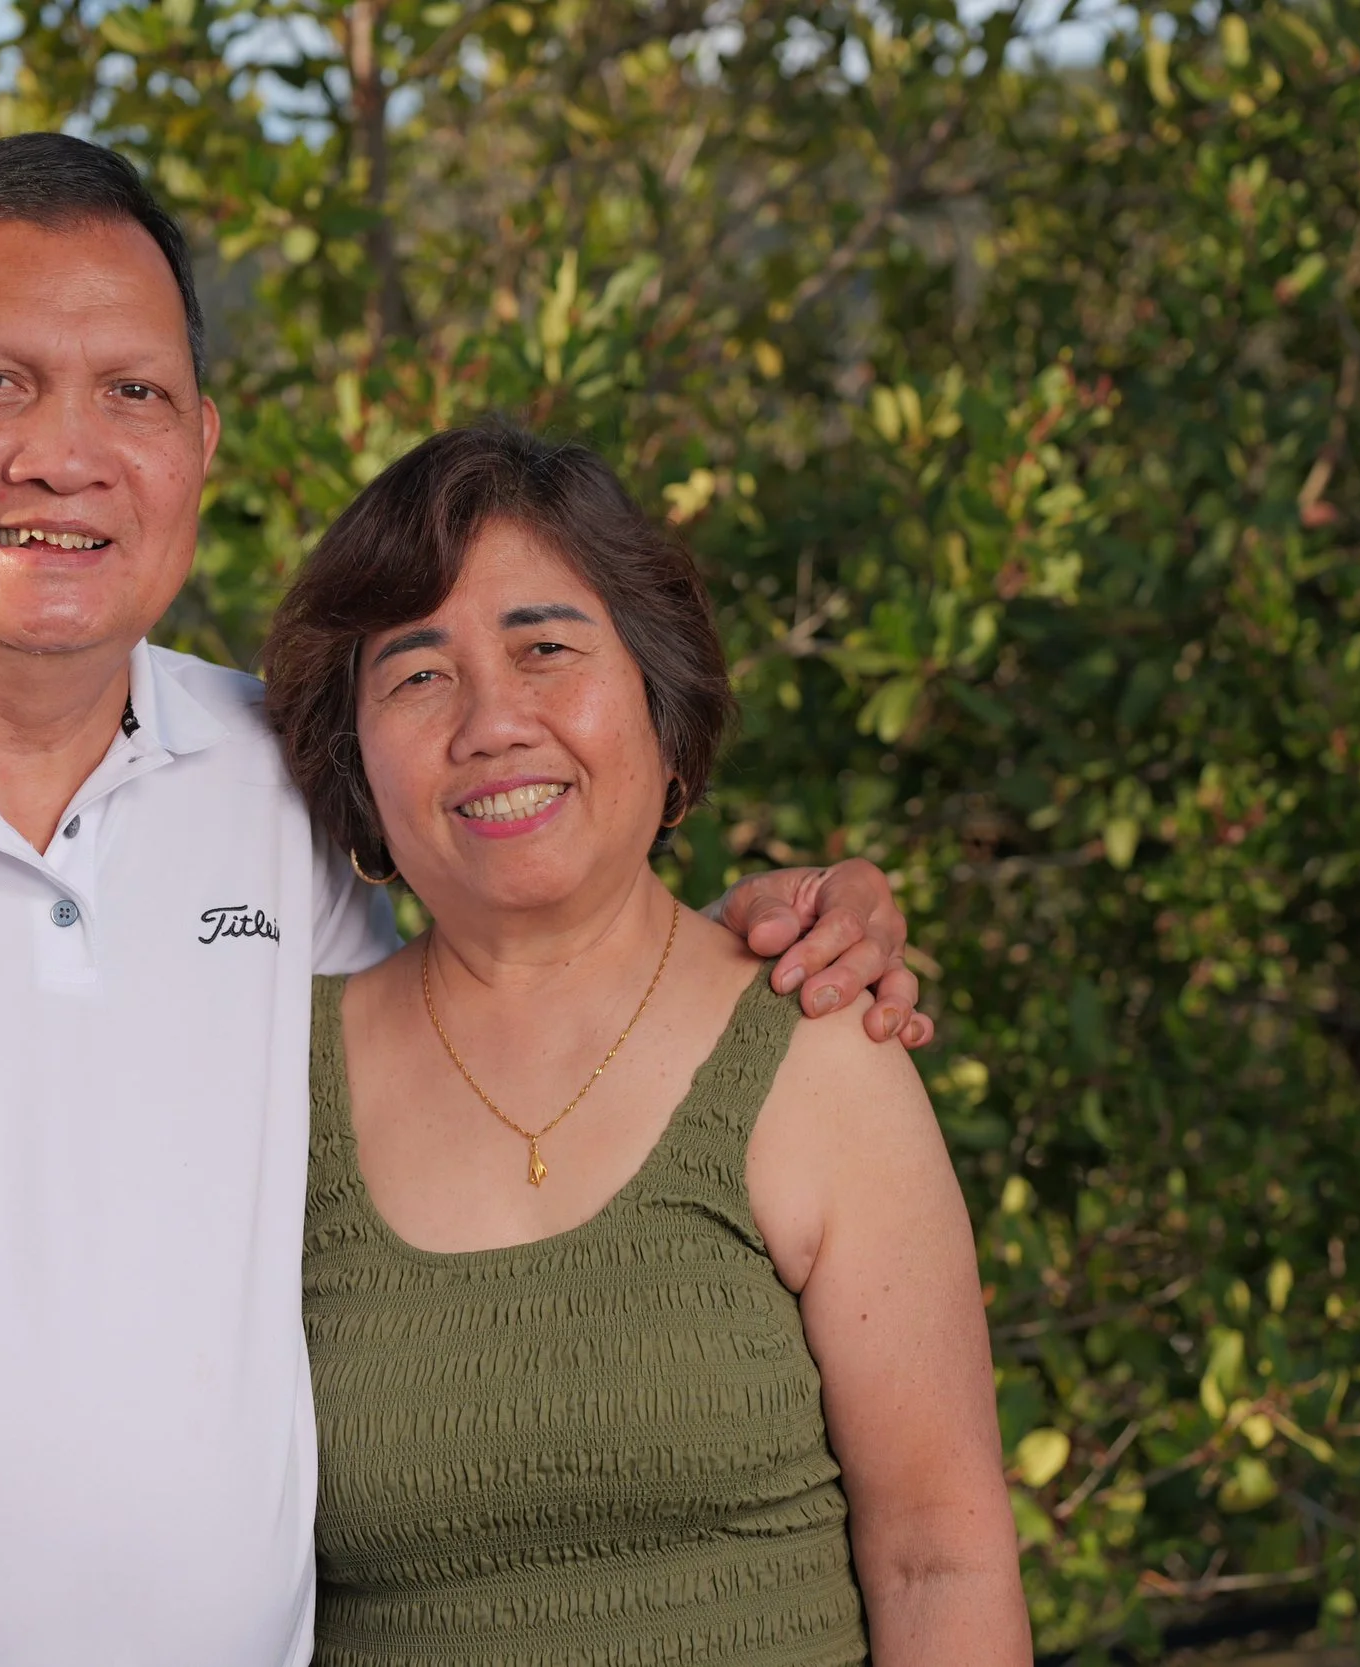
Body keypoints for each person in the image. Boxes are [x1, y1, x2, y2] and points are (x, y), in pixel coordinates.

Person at [0, 135, 930, 1667]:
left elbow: (522, 959)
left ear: (199, 445)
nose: (66, 450)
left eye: (129, 391)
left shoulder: (283, 774)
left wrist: (782, 928)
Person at [267, 424, 1026, 1665]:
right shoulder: (271, 1085)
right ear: (353, 762)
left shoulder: (817, 1051)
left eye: (546, 649)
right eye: (417, 675)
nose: (491, 723)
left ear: (660, 706)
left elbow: (939, 1559)